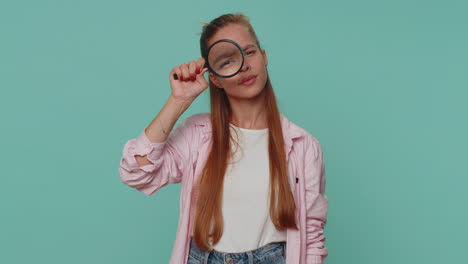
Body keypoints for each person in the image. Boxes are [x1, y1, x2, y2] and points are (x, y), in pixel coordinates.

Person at [119, 13, 328, 264]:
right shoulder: (198, 135)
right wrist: (179, 101)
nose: (244, 66)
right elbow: (136, 172)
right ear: (215, 78)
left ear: (264, 56)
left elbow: (312, 236)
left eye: (249, 52)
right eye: (227, 61)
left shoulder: (303, 146)